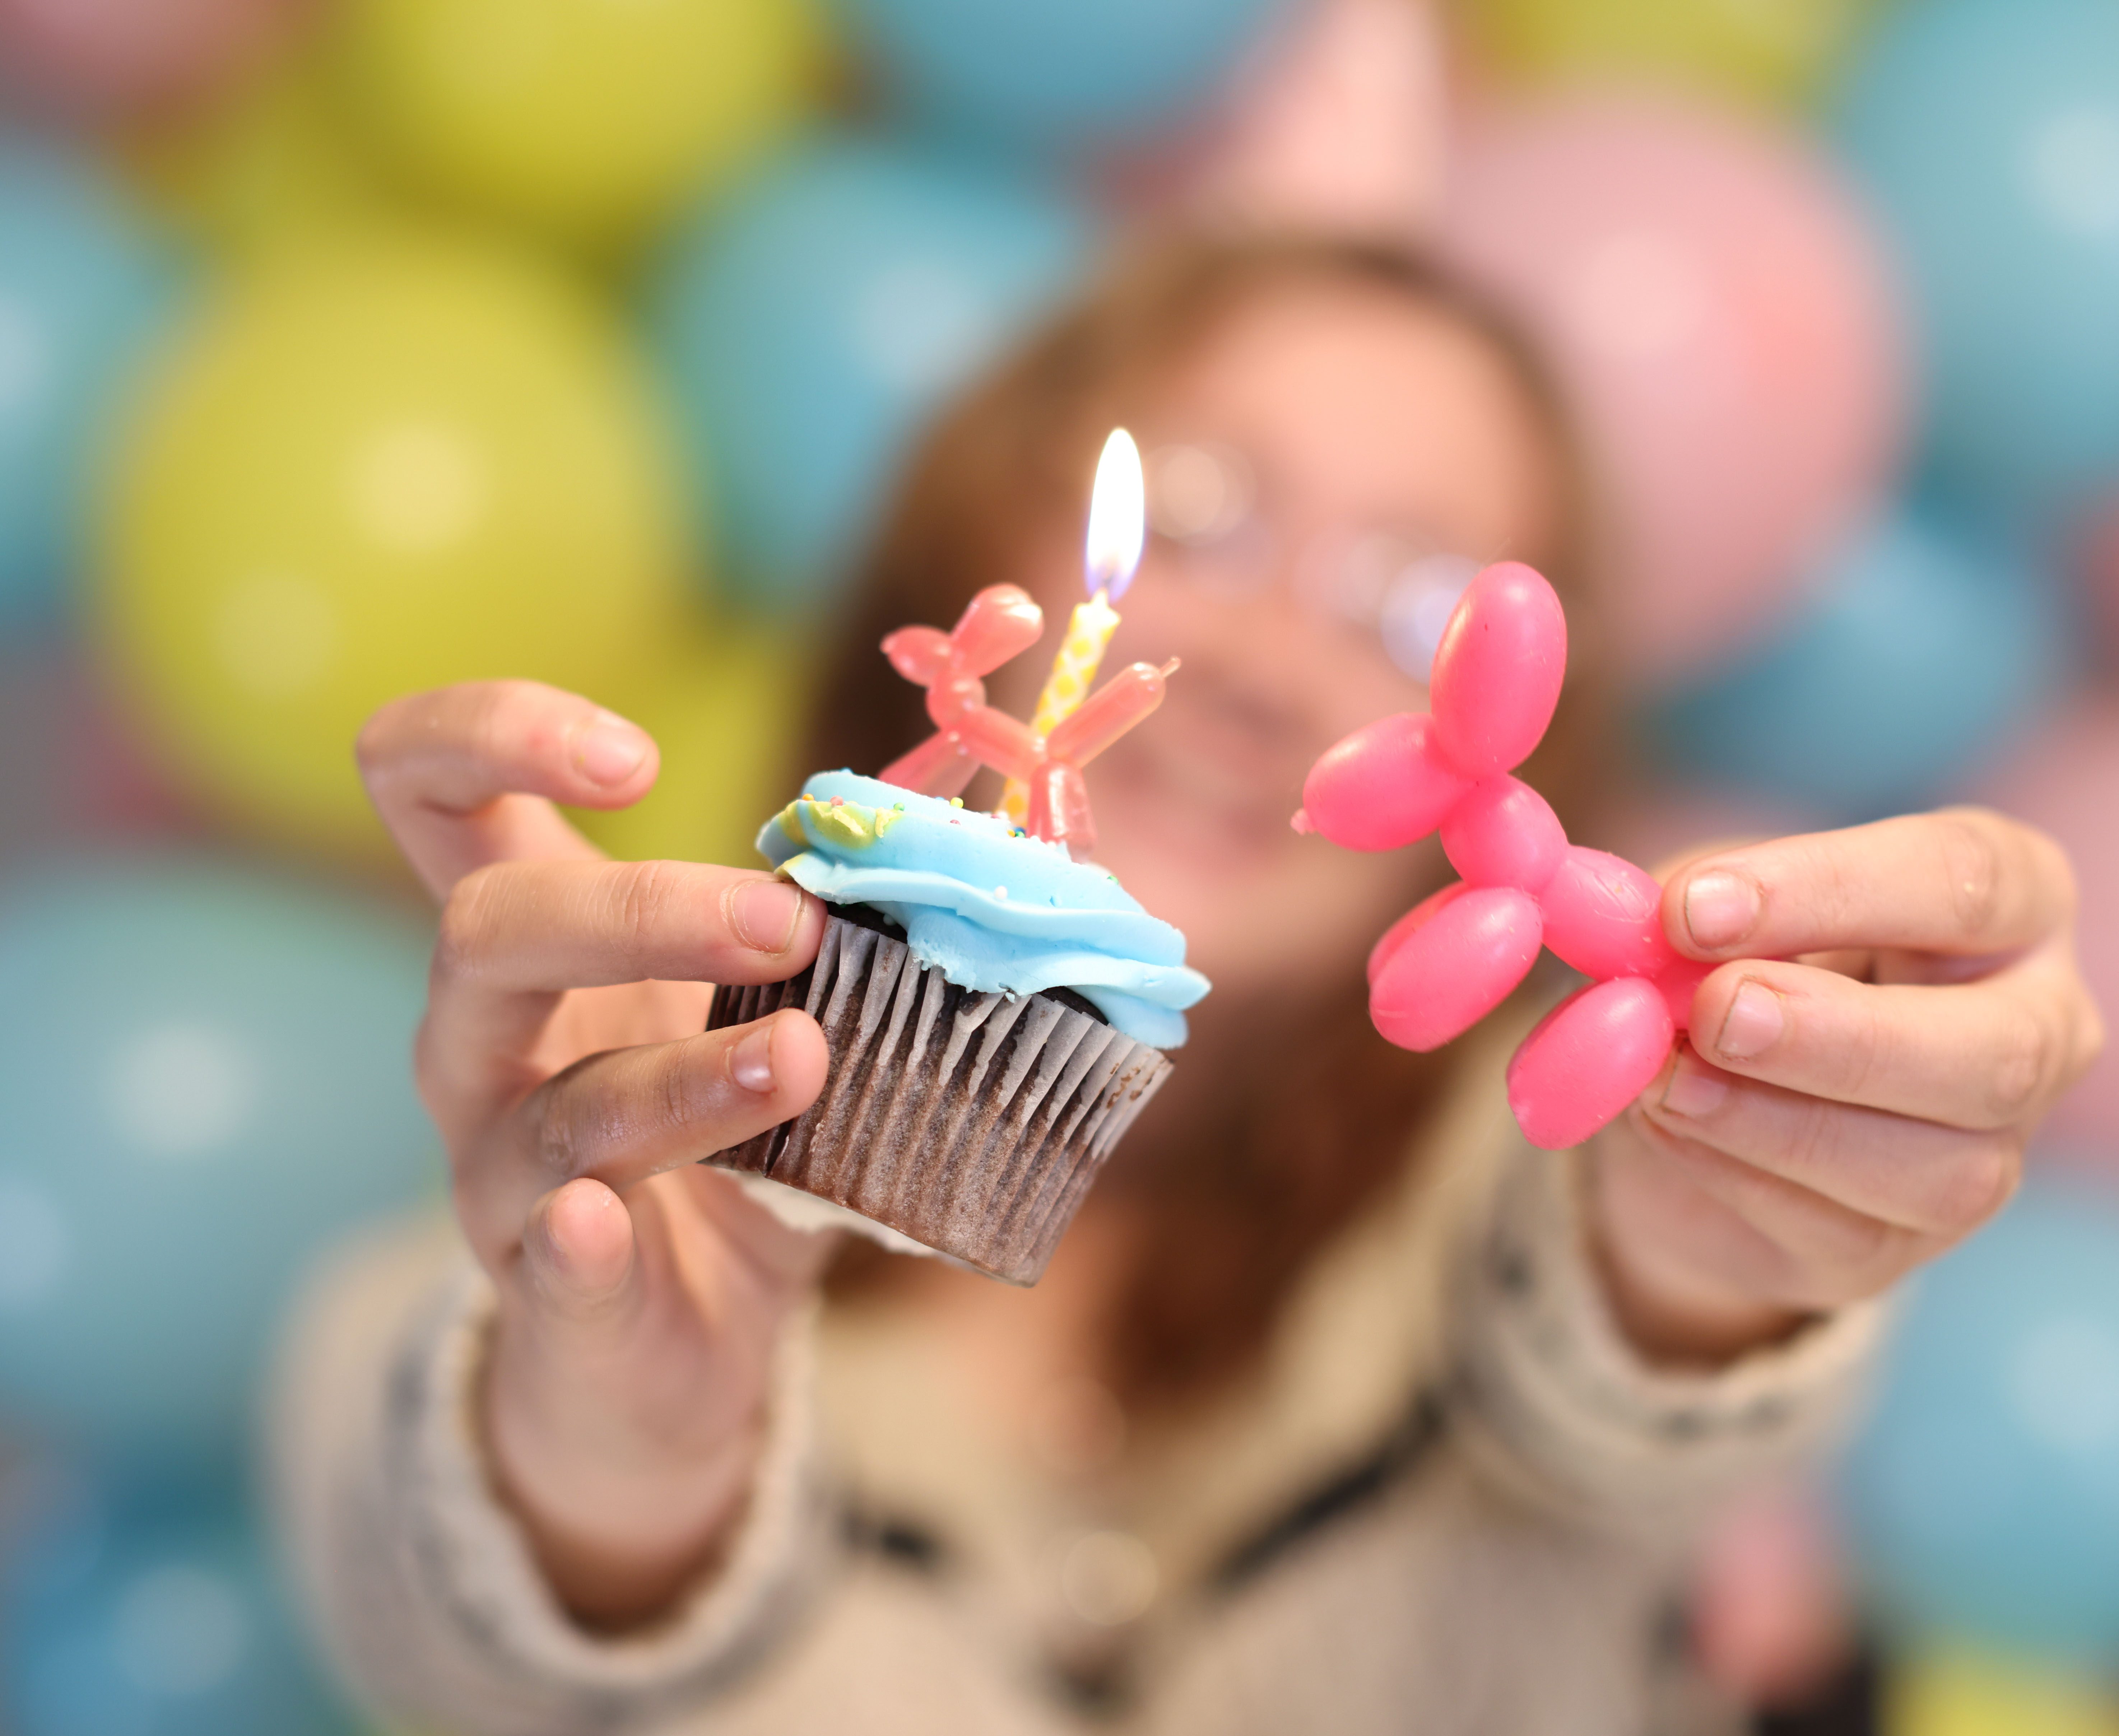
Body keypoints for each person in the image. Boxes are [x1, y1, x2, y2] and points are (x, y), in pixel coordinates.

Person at [275, 237, 2100, 1735]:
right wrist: (617, 1483)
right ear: (984, 542)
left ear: (1501, 758)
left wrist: (1727, 1239)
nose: (1258, 661)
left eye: (1414, 612)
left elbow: (1626, 1380)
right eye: (1206, 513)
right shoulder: (511, 1272)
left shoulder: (1544, 1219)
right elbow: (453, 1616)